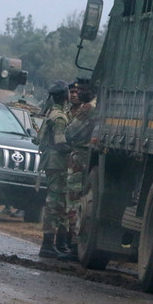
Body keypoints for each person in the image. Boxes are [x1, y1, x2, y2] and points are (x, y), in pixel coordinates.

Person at [36, 80, 72, 259]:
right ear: (65, 96)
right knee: (55, 204)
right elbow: (60, 143)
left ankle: (60, 244)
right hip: (57, 165)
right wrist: (75, 149)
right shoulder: (59, 117)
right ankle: (48, 245)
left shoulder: (53, 113)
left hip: (53, 164)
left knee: (62, 204)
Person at [64, 79, 97, 260]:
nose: (78, 93)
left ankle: (74, 245)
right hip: (85, 158)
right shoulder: (93, 107)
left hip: (80, 159)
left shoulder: (88, 109)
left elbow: (70, 132)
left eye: (82, 89)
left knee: (74, 202)